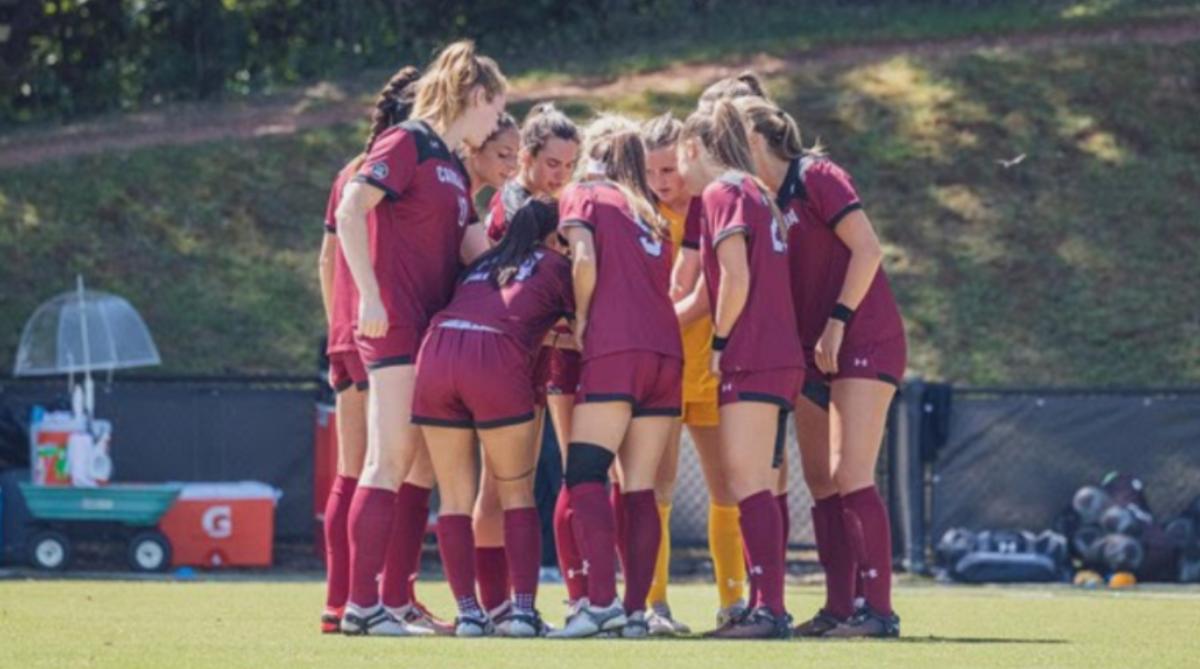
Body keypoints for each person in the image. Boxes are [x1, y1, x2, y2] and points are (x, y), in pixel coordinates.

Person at [334, 40, 507, 636]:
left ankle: (379, 603)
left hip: (431, 332)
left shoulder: (453, 164)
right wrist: (370, 297)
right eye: (495, 109)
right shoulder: (406, 140)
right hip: (397, 325)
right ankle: (361, 607)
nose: (495, 123)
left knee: (404, 464)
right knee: (386, 461)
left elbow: (477, 252)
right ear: (476, 95)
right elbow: (351, 210)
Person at [737, 96, 906, 638]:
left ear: (754, 139)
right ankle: (839, 606)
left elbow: (869, 249)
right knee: (822, 482)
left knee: (850, 471)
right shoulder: (759, 198)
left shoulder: (816, 175)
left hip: (861, 338)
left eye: (730, 138)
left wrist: (837, 322)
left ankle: (878, 611)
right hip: (812, 353)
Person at [316, 65, 448, 636]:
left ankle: (340, 601)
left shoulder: (350, 169)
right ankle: (388, 598)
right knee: (397, 470)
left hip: (349, 332)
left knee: (352, 472)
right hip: (387, 329)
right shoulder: (412, 162)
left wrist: (338, 329)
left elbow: (326, 259)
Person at [412, 199, 573, 638]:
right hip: (494, 356)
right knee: (515, 492)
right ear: (555, 236)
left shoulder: (483, 261)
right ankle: (521, 613)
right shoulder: (558, 266)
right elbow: (583, 331)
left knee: (454, 498)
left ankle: (468, 614)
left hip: (437, 350)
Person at [549, 115, 682, 639]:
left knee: (585, 475)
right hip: (665, 353)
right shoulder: (651, 214)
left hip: (615, 349)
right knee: (640, 488)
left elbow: (583, 259)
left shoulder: (585, 193)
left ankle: (599, 604)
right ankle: (635, 612)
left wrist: (582, 318)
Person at [674, 100, 802, 639]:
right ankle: (765, 604)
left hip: (752, 354)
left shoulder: (722, 192)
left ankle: (767, 609)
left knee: (745, 482)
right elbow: (717, 285)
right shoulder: (757, 191)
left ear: (693, 147)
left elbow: (735, 277)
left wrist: (721, 342)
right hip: (781, 354)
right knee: (757, 483)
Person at [474, 103, 581, 627]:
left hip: (550, 355)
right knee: (498, 486)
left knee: (559, 474)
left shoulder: (562, 206)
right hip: (508, 356)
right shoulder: (512, 205)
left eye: (570, 165)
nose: (561, 175)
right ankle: (495, 604)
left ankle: (568, 598)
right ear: (527, 158)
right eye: (552, 163)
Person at [638, 112, 745, 635]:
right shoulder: (641, 216)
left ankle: (733, 602)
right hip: (659, 370)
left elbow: (706, 296)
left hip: (712, 367)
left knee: (728, 486)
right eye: (650, 171)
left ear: (688, 157)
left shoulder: (714, 206)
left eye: (668, 169)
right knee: (656, 487)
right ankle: (653, 603)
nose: (661, 181)